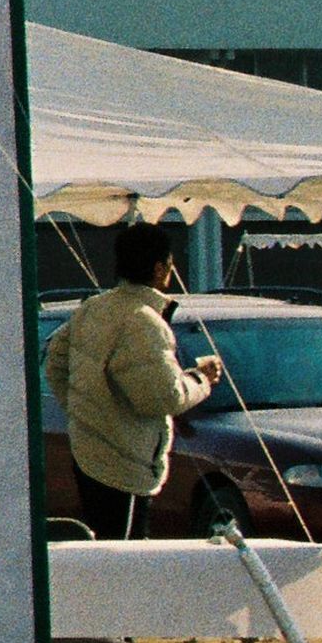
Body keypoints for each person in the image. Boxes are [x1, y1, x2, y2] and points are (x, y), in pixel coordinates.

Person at [42, 219, 222, 539]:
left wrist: (84, 410)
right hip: (124, 464)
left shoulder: (93, 308)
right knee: (124, 559)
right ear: (159, 268)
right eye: (169, 263)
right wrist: (201, 379)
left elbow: (54, 361)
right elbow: (164, 398)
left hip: (88, 453)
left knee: (108, 555)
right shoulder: (144, 322)